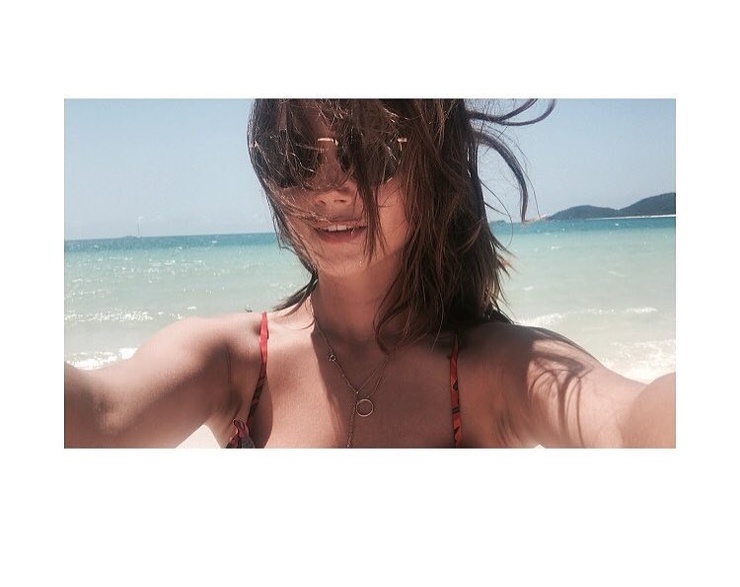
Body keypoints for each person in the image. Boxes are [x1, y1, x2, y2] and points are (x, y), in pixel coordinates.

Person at [64, 99, 676, 448]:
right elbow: (99, 416)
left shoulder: (496, 372)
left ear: (432, 168)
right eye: (296, 157)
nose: (330, 189)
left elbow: (629, 422)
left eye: (374, 154)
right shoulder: (233, 364)